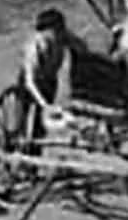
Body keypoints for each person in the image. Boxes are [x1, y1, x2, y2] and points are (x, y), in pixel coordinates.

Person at [19, 8, 88, 147]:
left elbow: (81, 47)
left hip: (50, 80)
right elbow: (29, 81)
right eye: (57, 29)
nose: (60, 32)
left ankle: (35, 147)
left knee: (38, 127)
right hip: (31, 83)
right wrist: (45, 105)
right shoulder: (34, 47)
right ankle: (21, 140)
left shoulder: (63, 37)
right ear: (47, 30)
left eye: (61, 29)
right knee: (24, 118)